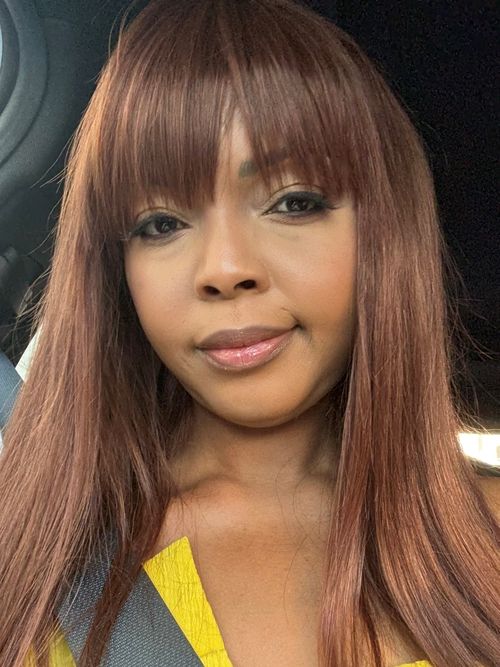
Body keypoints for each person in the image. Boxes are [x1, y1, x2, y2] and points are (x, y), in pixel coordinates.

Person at [0, 0, 498, 665]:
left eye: (294, 202)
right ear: (117, 269)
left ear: (383, 234)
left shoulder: (487, 534)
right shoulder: (33, 552)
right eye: (160, 223)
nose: (225, 269)